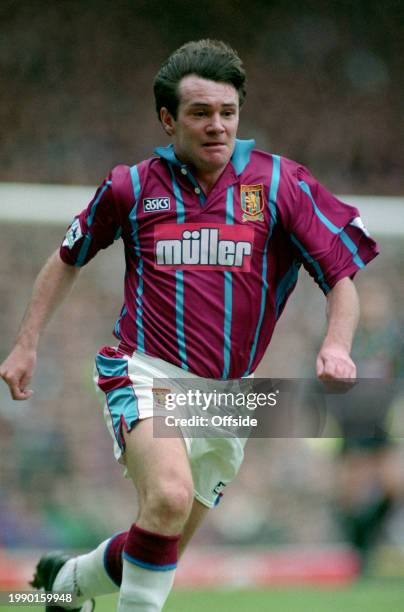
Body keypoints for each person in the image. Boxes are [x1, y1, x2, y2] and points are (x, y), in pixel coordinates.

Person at [0, 39, 379, 611]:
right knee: (171, 497)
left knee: (163, 534)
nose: (217, 126)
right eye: (200, 113)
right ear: (167, 118)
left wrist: (336, 344)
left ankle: (67, 582)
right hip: (147, 372)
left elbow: (341, 277)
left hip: (230, 396)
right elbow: (66, 258)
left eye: (227, 113)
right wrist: (26, 345)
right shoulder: (132, 186)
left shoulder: (278, 185)